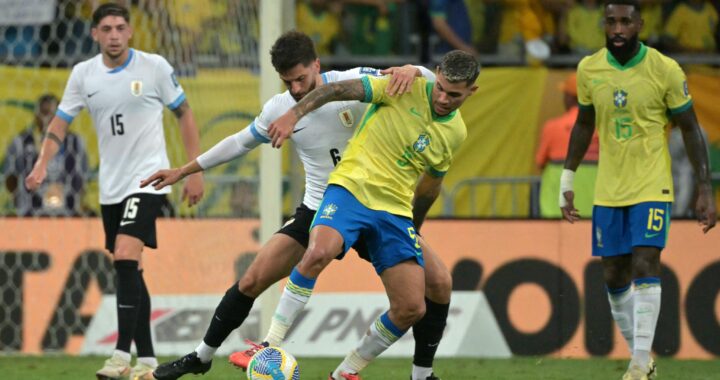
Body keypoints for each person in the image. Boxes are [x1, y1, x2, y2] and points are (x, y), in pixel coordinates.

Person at [142, 31, 450, 380]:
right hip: (321, 207)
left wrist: (413, 68)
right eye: (288, 82)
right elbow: (240, 142)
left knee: (438, 282)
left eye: (301, 79)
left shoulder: (352, 83)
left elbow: (428, 81)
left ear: (316, 65)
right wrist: (185, 170)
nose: (297, 89)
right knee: (252, 279)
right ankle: (201, 356)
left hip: (374, 205)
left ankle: (422, 374)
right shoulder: (279, 107)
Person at [243, 49, 478, 380]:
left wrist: (414, 228)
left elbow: (430, 186)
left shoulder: (456, 132)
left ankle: (344, 373)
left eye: (453, 95)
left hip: (395, 211)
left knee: (412, 306)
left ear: (471, 92)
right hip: (351, 189)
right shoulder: (403, 86)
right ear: (435, 74)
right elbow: (336, 90)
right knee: (318, 252)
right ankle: (268, 345)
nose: (442, 98)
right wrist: (294, 115)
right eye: (439, 86)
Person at [24, 4, 204, 379]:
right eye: (106, 29)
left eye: (121, 27)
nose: (114, 35)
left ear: (131, 31)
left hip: (149, 178)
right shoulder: (83, 74)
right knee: (130, 267)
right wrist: (42, 162)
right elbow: (59, 123)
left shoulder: (154, 67)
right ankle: (149, 361)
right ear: (94, 34)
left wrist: (192, 170)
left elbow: (184, 113)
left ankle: (121, 356)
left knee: (124, 254)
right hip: (111, 187)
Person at [559, 1, 716, 379]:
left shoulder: (664, 69)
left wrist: (705, 187)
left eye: (626, 21)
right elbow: (583, 125)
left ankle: (637, 365)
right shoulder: (589, 69)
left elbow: (692, 129)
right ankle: (643, 359)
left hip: (651, 183)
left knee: (646, 261)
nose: (617, 29)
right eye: (611, 21)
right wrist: (567, 179)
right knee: (613, 274)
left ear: (640, 25)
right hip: (608, 187)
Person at [3, 94, 89, 217]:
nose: (48, 119)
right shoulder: (21, 142)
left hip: (68, 214)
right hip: (31, 214)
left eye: (54, 115)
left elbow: (83, 179)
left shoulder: (75, 143)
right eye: (44, 113)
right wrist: (20, 200)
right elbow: (10, 178)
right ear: (36, 116)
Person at [535, 73, 599, 218]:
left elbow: (540, 161)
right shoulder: (601, 127)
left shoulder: (552, 127)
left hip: (556, 202)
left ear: (570, 97)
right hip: (594, 201)